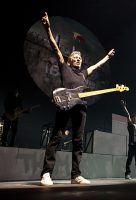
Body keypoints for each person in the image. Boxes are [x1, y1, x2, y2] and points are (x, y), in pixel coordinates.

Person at [40, 12, 115, 186]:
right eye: (75, 57)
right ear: (69, 59)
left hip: (80, 108)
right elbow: (55, 47)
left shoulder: (82, 74)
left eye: (80, 58)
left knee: (78, 141)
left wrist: (107, 57)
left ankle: (76, 175)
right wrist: (48, 28)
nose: (78, 59)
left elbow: (96, 66)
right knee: (56, 137)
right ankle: (46, 173)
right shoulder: (64, 67)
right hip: (65, 106)